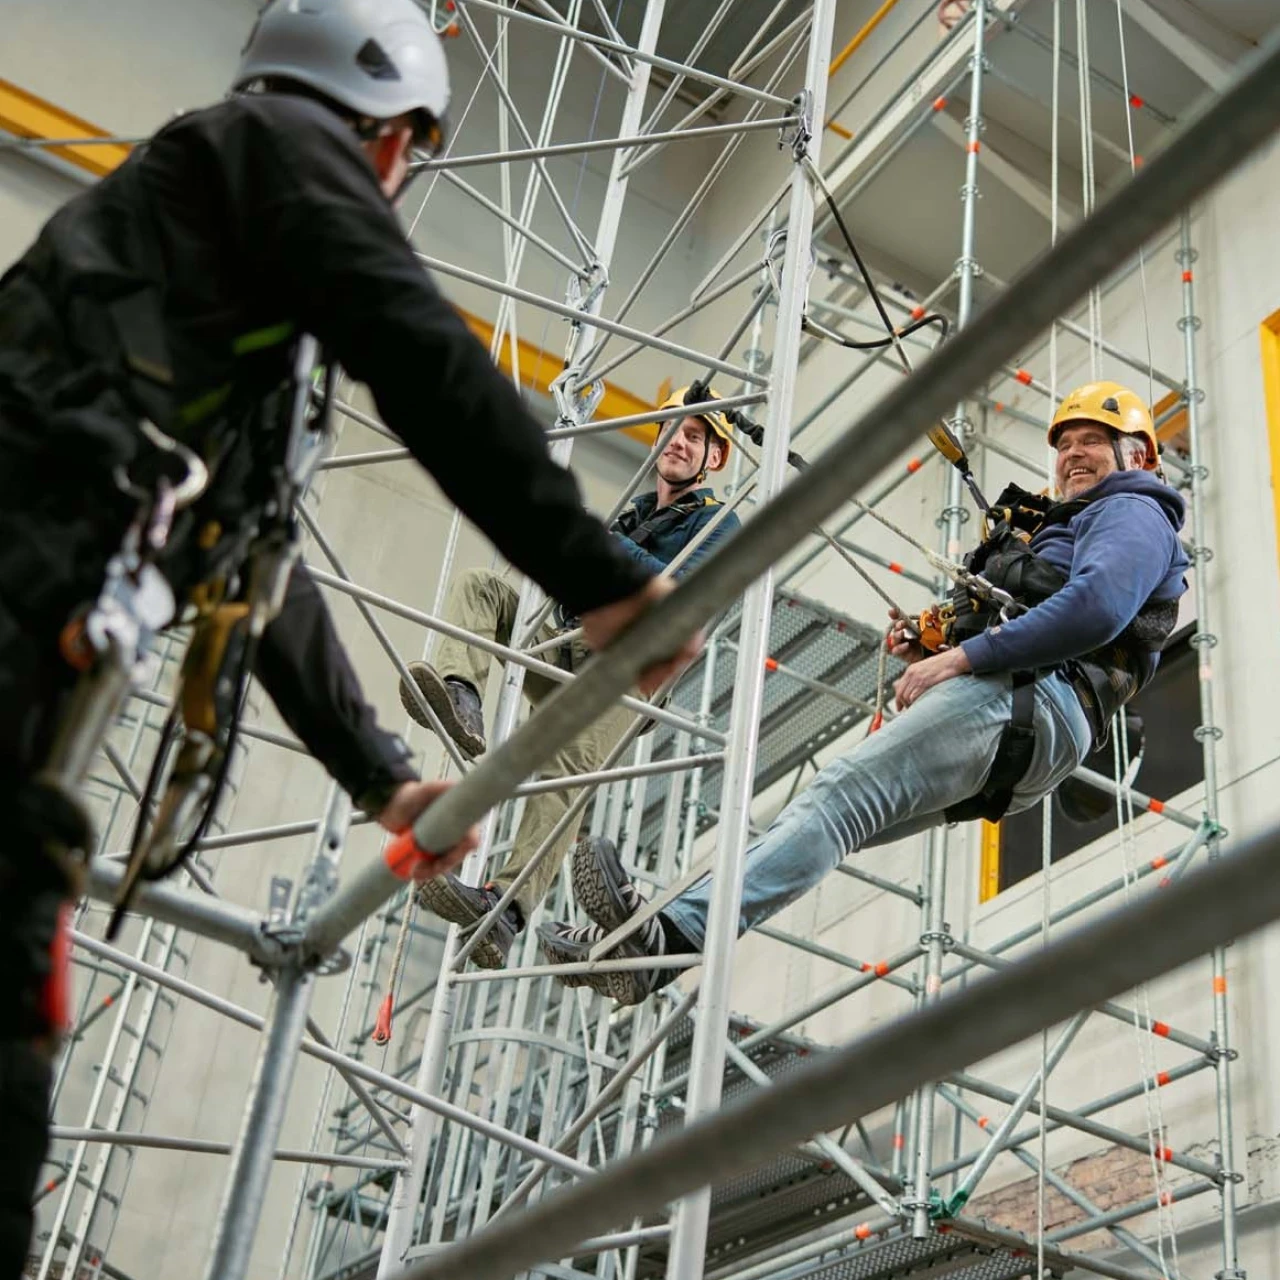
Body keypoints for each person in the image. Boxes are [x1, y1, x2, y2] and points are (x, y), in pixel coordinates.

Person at [0, 0, 698, 1270]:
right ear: (387, 130)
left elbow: (254, 565)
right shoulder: (266, 146)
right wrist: (594, 574)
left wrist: (380, 774)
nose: (400, 182)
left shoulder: (216, 315)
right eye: (410, 154)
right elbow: (421, 355)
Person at [535, 381, 1190, 1003]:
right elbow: (1062, 609)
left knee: (835, 796)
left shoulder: (1132, 508)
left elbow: (1096, 610)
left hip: (1032, 698)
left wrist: (962, 657)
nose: (1073, 454)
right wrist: (934, 648)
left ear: (1139, 455)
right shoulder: (1078, 525)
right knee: (833, 819)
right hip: (1032, 725)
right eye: (1065, 443)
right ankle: (645, 944)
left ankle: (665, 938)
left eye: (1092, 441)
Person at [400, 385, 741, 967]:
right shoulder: (632, 516)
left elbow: (683, 595)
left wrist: (599, 545)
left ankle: (504, 909)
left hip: (625, 668)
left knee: (567, 771)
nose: (678, 441)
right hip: (565, 639)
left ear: (714, 458)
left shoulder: (717, 524)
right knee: (482, 590)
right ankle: (461, 697)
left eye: (694, 436)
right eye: (673, 429)